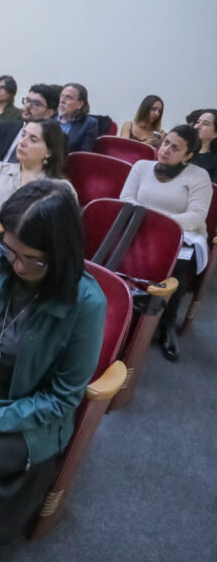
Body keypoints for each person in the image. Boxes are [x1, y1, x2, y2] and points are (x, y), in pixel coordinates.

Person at [0, 180, 106, 553]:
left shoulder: (86, 303)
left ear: (60, 254)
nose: (17, 265)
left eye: (33, 259)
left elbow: (60, 401)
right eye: (10, 249)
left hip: (27, 411)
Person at [120, 125, 212, 361]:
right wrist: (150, 221)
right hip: (141, 228)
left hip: (182, 235)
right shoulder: (142, 166)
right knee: (116, 248)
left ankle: (167, 324)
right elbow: (126, 198)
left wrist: (162, 223)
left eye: (175, 148)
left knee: (177, 264)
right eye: (166, 143)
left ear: (188, 155)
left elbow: (196, 216)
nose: (165, 149)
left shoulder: (199, 176)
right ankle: (121, 306)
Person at [0, 119, 69, 227]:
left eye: (33, 140)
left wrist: (5, 227)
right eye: (23, 135)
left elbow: (54, 229)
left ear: (48, 152)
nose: (22, 142)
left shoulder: (59, 189)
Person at [0, 84, 59, 164]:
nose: (28, 106)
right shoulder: (4, 127)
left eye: (36, 104)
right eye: (27, 100)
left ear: (50, 112)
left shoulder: (55, 139)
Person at [57, 83, 99, 152]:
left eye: (68, 97)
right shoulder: (51, 118)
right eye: (61, 96)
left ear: (80, 104)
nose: (62, 101)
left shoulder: (88, 123)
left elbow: (84, 153)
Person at [190, 109, 217, 180]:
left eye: (205, 124)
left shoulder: (214, 160)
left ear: (215, 134)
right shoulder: (185, 151)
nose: (197, 126)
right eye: (198, 122)